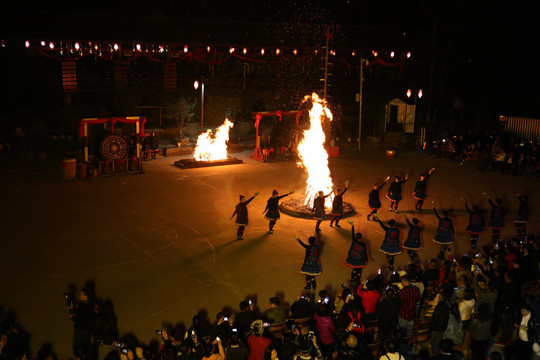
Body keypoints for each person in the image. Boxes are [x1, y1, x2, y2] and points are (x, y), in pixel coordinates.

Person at [345, 220, 368, 285]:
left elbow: (352, 234)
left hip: (352, 256)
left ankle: (352, 278)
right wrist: (366, 259)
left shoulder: (354, 241)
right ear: (361, 237)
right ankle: (357, 280)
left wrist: (352, 226)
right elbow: (365, 253)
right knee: (359, 270)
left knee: (354, 268)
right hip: (359, 258)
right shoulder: (363, 245)